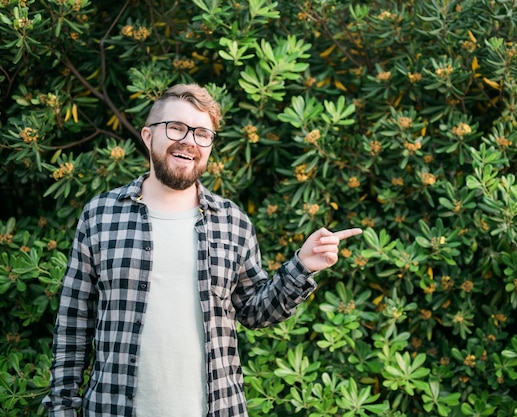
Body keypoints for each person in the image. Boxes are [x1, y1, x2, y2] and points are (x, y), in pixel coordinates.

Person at [43, 83, 362, 417]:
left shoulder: (232, 221)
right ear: (148, 136)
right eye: (177, 127)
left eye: (202, 133)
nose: (189, 141)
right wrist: (62, 408)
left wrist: (302, 266)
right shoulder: (101, 213)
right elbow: (73, 323)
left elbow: (255, 312)